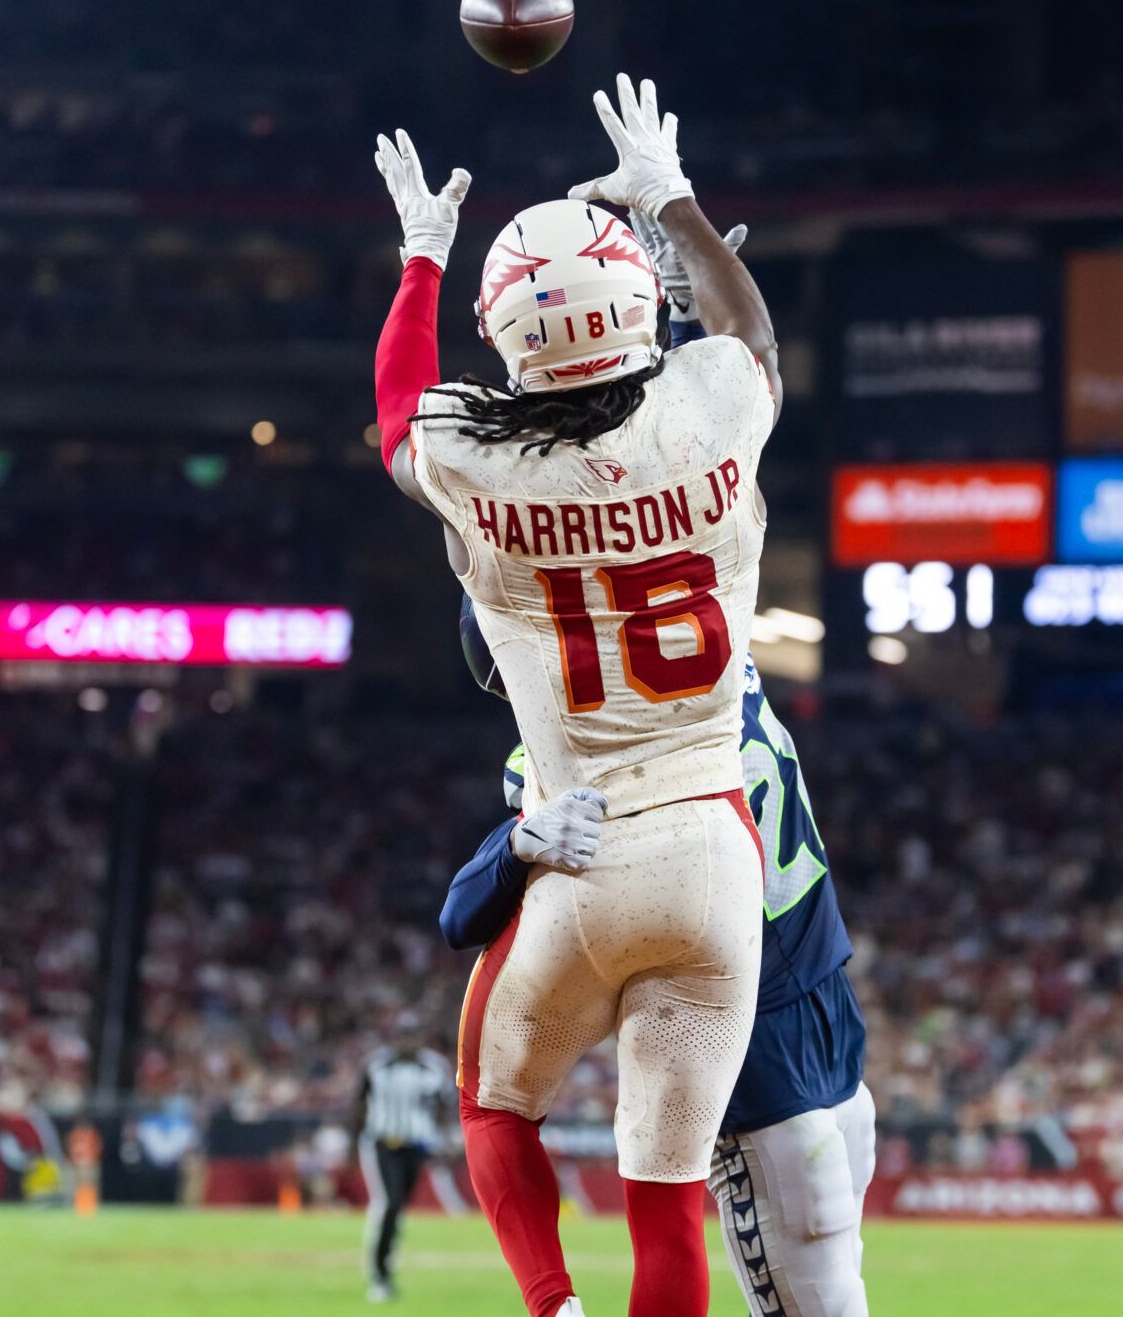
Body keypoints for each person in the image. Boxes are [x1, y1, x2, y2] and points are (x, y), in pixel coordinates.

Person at [371, 72, 781, 1317]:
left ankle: (552, 1307)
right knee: (669, 1199)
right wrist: (674, 201)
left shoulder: (479, 460)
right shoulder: (711, 413)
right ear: (640, 319)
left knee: (494, 1104)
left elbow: (399, 410)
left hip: (582, 843)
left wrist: (421, 260)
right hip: (716, 845)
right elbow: (746, 339)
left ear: (511, 335)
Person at [445, 627, 874, 1315]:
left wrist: (512, 846)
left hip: (770, 1012)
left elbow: (460, 917)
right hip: (794, 999)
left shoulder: (574, 755)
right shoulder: (724, 654)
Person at [352, 1021, 450, 1303]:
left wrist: (441, 1142)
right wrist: (351, 1145)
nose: (409, 1043)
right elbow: (359, 1104)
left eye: (414, 1036)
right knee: (389, 1203)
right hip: (383, 1143)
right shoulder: (377, 1065)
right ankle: (379, 1273)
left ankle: (387, 1253)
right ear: (394, 1038)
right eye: (404, 1036)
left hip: (416, 1145)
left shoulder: (434, 1067)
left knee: (398, 1206)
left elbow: (441, 1107)